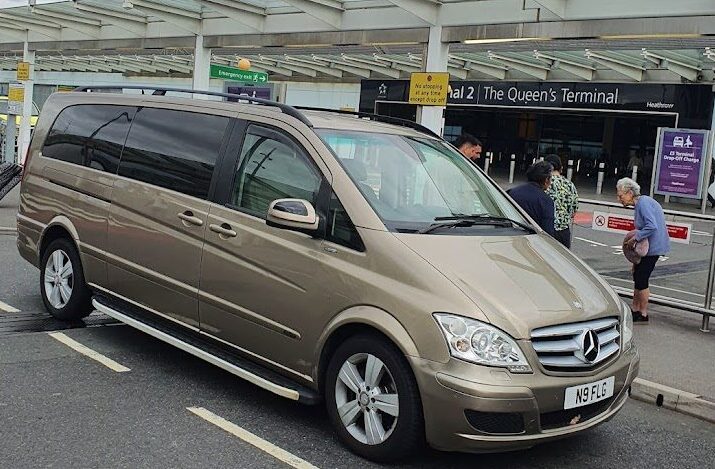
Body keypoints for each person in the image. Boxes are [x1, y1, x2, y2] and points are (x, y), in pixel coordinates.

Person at [616, 177, 670, 323]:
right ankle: (635, 309)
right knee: (638, 276)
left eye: (621, 196)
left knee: (642, 278)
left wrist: (635, 238)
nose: (619, 199)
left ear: (629, 193)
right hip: (646, 248)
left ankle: (643, 313)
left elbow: (651, 226)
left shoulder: (643, 203)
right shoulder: (640, 203)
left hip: (653, 248)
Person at [508, 161, 556, 236]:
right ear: (546, 179)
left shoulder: (512, 192)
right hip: (532, 239)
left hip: (510, 234)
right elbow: (548, 231)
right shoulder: (545, 200)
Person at [544, 154, 579, 248]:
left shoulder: (544, 183)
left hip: (546, 229)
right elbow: (574, 210)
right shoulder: (570, 185)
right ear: (561, 168)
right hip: (564, 232)